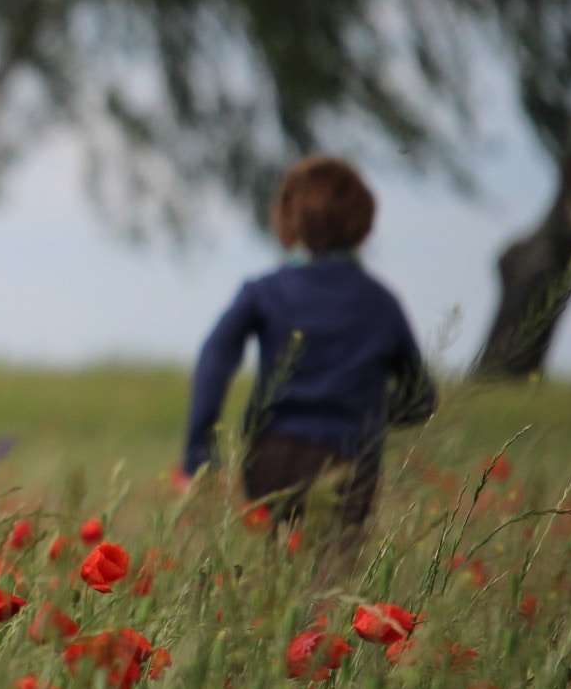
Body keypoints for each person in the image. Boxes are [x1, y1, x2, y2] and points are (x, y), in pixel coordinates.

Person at [179, 155, 436, 534]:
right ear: (363, 225)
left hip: (272, 456)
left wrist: (199, 453)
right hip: (350, 459)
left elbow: (214, 360)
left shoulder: (264, 292)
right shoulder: (381, 304)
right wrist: (368, 414)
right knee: (333, 580)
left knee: (279, 570)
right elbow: (420, 398)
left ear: (287, 220)